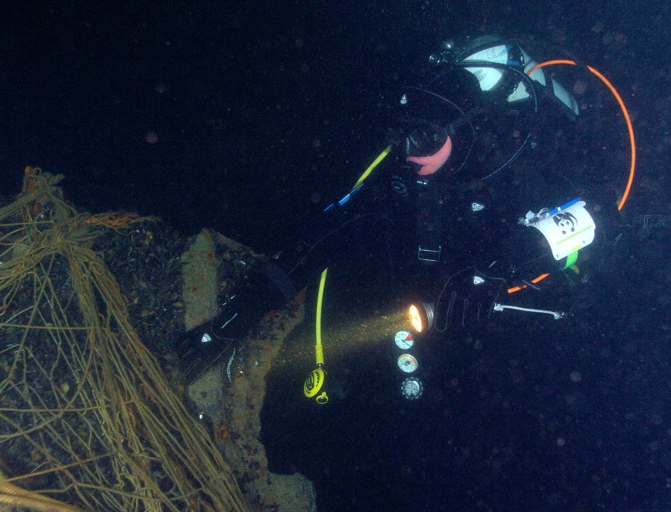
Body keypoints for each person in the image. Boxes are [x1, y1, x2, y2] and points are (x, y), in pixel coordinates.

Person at [176, 35, 632, 383]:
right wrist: (231, 322)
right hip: (431, 313)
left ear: (465, 130)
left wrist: (499, 266)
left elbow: (603, 215)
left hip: (523, 332)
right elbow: (323, 236)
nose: (409, 151)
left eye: (427, 137)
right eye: (401, 135)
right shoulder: (402, 174)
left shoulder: (520, 167)